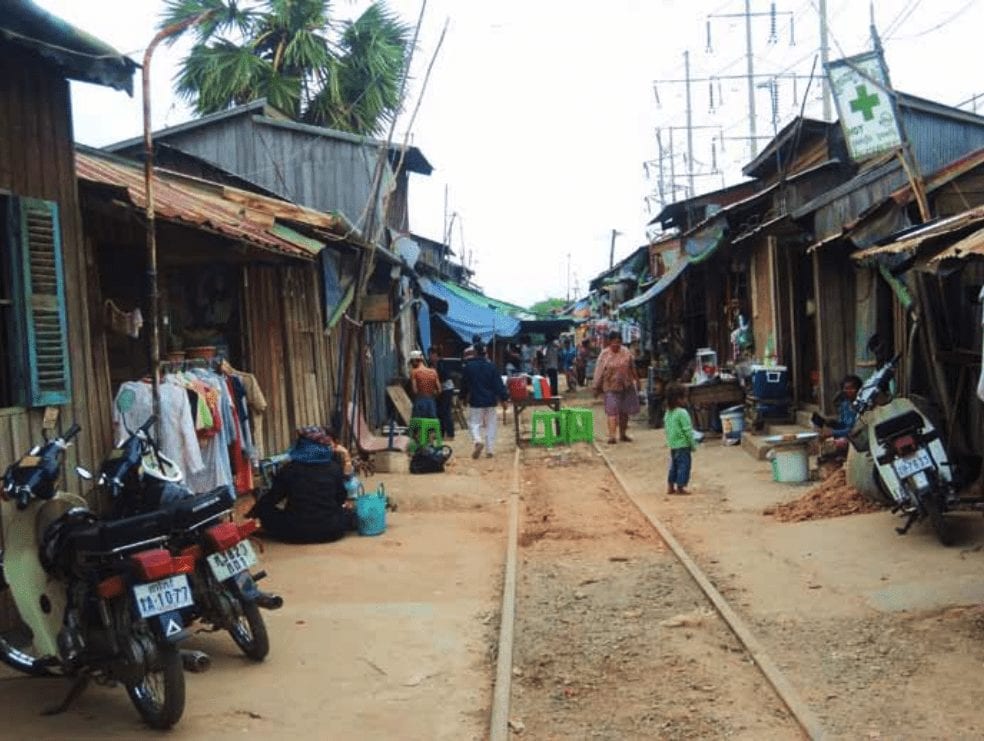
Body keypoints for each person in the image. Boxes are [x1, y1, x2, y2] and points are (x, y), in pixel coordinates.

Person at [251, 426, 356, 543]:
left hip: (295, 533)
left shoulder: (289, 469)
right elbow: (340, 498)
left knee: (265, 510)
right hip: (332, 531)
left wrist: (255, 510)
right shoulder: (334, 468)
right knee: (348, 512)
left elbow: (272, 498)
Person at [460, 341, 509, 459]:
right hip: (490, 401)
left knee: (474, 424)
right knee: (491, 425)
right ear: (485, 352)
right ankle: (490, 450)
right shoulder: (491, 366)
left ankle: (477, 441)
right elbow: (498, 384)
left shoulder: (468, 367)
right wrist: (504, 399)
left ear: (475, 352)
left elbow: (464, 385)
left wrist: (462, 398)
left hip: (475, 401)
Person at [592, 330, 641, 444]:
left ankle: (623, 434)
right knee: (612, 411)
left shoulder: (626, 352)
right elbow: (598, 372)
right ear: (609, 342)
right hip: (610, 387)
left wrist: (637, 381)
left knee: (624, 412)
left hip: (626, 386)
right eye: (613, 342)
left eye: (618, 342)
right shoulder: (604, 354)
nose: (616, 344)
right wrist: (596, 387)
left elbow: (632, 367)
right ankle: (612, 436)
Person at [813, 374, 862, 460]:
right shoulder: (845, 405)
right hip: (844, 434)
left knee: (833, 445)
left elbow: (853, 430)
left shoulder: (861, 406)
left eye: (851, 389)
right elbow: (843, 423)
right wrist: (831, 423)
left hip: (855, 438)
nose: (848, 391)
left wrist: (833, 432)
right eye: (846, 389)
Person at [663, 383, 697, 494]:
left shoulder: (668, 413)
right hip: (683, 444)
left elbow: (667, 428)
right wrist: (692, 444)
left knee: (674, 466)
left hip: (673, 444)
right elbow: (688, 430)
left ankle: (670, 485)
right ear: (679, 399)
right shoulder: (682, 413)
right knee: (684, 466)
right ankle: (680, 487)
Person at [430, 346, 456, 440]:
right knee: (439, 412)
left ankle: (450, 433)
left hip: (446, 389)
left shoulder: (442, 364)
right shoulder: (431, 365)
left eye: (432, 354)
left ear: (436, 355)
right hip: (438, 390)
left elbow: (444, 376)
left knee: (446, 412)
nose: (431, 356)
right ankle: (440, 433)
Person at [408, 349, 440, 419]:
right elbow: (439, 390)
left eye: (412, 362)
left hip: (420, 400)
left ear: (415, 360)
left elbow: (414, 390)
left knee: (416, 425)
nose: (412, 364)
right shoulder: (433, 372)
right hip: (431, 401)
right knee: (431, 425)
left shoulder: (414, 372)